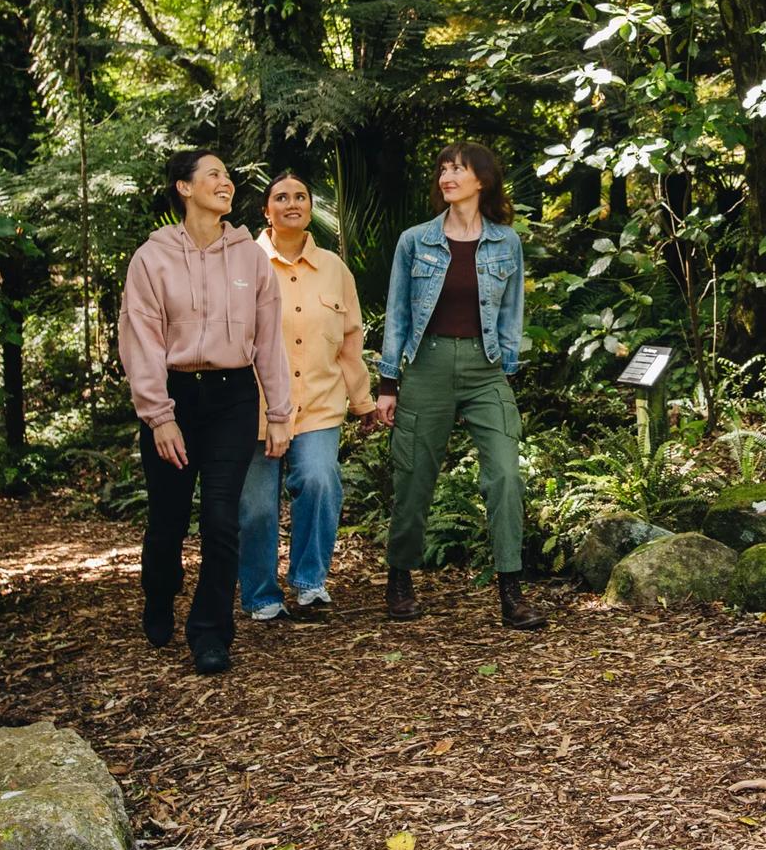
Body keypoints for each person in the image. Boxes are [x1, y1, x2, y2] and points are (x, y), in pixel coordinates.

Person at [118, 150, 293, 675]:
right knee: (168, 519)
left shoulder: (249, 257)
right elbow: (140, 340)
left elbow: (268, 341)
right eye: (213, 174)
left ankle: (211, 632)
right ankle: (159, 591)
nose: (226, 182)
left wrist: (279, 411)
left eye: (227, 175)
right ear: (183, 187)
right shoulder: (151, 258)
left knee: (221, 518)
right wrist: (159, 414)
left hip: (232, 395)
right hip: (173, 397)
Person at [375, 142, 546, 630]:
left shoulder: (506, 242)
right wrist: (389, 383)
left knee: (506, 475)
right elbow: (398, 314)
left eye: (459, 168)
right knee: (413, 477)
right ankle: (400, 578)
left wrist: (506, 368)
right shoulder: (415, 241)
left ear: (482, 180)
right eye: (443, 167)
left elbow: (512, 313)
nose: (447, 175)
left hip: (486, 369)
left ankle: (511, 588)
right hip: (426, 366)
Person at [237, 173, 377, 621]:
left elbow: (350, 342)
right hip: (255, 408)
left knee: (319, 480)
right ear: (267, 210)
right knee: (256, 506)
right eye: (281, 197)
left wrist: (363, 402)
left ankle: (308, 581)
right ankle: (260, 594)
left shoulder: (335, 269)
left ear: (310, 207)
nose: (292, 203)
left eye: (301, 196)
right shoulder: (243, 263)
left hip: (319, 403)